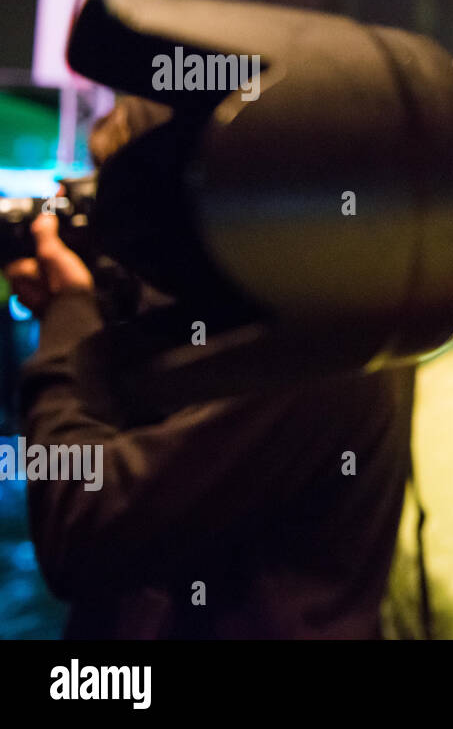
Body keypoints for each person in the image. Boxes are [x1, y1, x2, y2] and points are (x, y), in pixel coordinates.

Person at [3, 97, 414, 638]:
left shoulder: (313, 344)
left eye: (126, 195)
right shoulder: (228, 316)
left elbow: (81, 524)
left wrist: (67, 312)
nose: (116, 224)